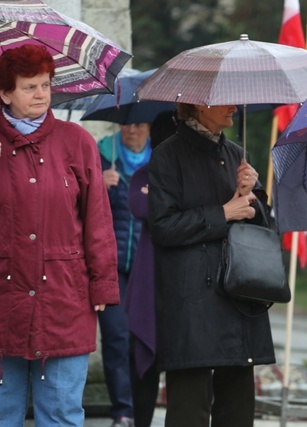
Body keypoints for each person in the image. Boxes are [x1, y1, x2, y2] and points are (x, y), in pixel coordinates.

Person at [0, 44, 119, 426]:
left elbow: (97, 220)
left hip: (63, 301)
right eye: (30, 87)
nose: (42, 95)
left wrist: (103, 286)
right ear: (3, 93)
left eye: (46, 85)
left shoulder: (76, 142)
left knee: (62, 415)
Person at [148, 103, 275, 427]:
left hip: (238, 294)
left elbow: (262, 229)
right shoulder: (167, 155)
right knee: (189, 408)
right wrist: (223, 213)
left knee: (238, 407)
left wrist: (253, 198)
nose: (233, 106)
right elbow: (162, 227)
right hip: (192, 301)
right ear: (196, 106)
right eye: (222, 100)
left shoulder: (236, 155)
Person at [97, 121, 152, 427]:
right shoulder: (102, 155)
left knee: (141, 340)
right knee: (116, 338)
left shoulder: (160, 161)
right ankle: (122, 411)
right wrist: (98, 183)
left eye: (140, 125)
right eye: (127, 125)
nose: (132, 131)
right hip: (111, 266)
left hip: (147, 269)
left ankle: (139, 409)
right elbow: (79, 203)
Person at [125, 109, 178, 427]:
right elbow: (140, 207)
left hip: (185, 284)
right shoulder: (145, 173)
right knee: (143, 362)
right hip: (150, 282)